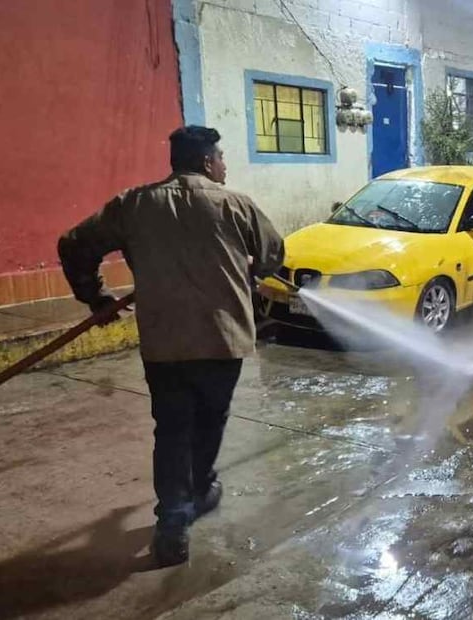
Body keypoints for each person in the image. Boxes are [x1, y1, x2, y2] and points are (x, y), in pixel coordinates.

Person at [58, 126, 285, 566]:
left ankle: (174, 520)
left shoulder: (134, 204)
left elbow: (74, 244)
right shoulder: (236, 205)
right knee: (209, 421)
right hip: (222, 341)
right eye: (220, 157)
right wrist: (246, 266)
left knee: (173, 427)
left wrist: (95, 296)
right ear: (205, 162)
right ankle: (198, 489)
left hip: (165, 343)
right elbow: (275, 254)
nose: (225, 165)